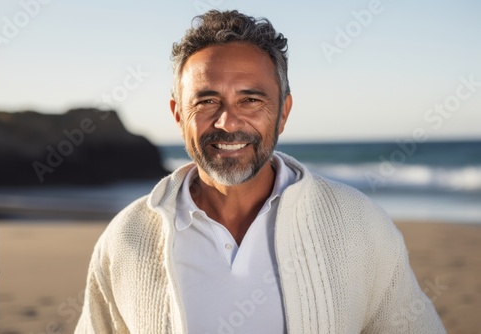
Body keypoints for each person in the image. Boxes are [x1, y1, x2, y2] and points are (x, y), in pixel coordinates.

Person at [75, 10, 446, 333]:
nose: (226, 122)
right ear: (177, 114)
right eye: (206, 101)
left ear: (283, 111)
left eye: (250, 100)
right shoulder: (126, 237)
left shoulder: (361, 224)